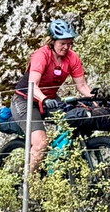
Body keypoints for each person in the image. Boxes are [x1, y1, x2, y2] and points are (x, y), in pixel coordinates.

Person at [12, 18, 94, 171]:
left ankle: (55, 166)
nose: (66, 47)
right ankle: (29, 184)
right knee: (40, 143)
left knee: (74, 121)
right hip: (26, 100)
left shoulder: (72, 57)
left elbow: (82, 86)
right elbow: (33, 85)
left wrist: (94, 98)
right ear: (52, 41)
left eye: (69, 43)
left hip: (50, 99)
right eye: (62, 43)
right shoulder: (41, 55)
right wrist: (44, 99)